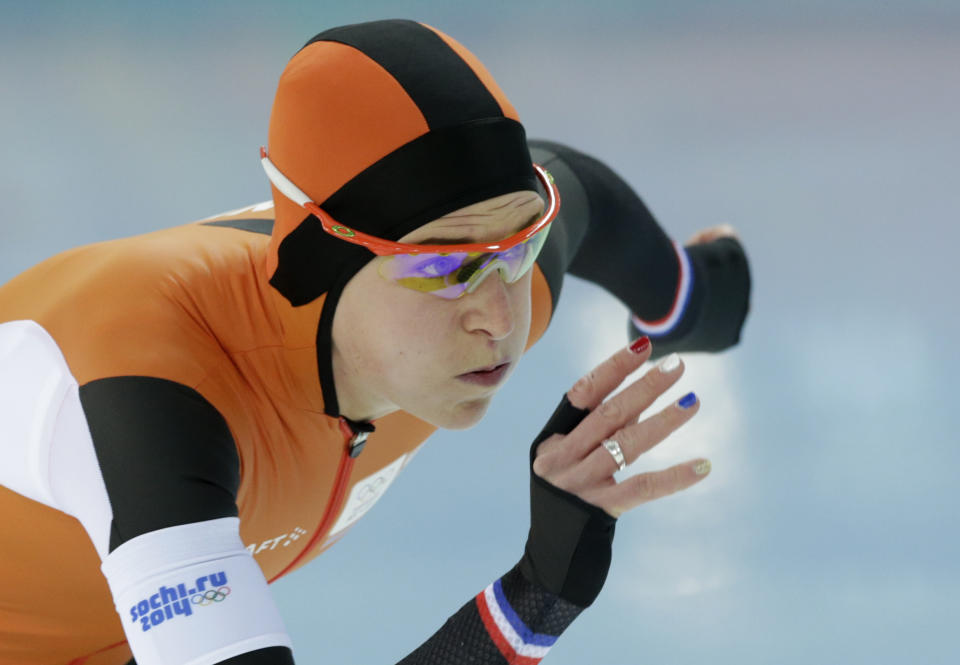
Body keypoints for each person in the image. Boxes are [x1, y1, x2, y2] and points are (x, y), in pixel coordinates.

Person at [0, 19, 751, 665]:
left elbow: (582, 194)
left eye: (518, 245)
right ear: (328, 263)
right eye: (442, 265)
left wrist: (690, 299)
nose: (499, 315)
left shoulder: (479, 286)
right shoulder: (149, 400)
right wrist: (537, 596)